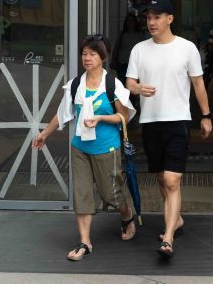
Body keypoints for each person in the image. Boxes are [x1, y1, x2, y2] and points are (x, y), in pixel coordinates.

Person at [33, 34, 138, 261]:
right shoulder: (75, 85)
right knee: (81, 195)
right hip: (80, 147)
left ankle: (127, 215)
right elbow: (62, 114)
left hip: (106, 148)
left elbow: (124, 117)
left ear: (103, 57)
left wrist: (101, 118)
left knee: (111, 194)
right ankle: (84, 242)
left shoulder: (112, 85)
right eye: (84, 54)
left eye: (92, 54)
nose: (87, 58)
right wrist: (44, 134)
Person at [125, 0, 213, 259]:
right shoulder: (139, 49)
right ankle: (178, 219)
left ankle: (169, 237)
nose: (151, 22)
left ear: (170, 19)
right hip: (150, 121)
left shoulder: (187, 49)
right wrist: (138, 88)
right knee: (162, 179)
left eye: (157, 17)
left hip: (178, 120)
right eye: (148, 17)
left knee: (173, 180)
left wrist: (206, 116)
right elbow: (129, 82)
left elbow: (198, 85)